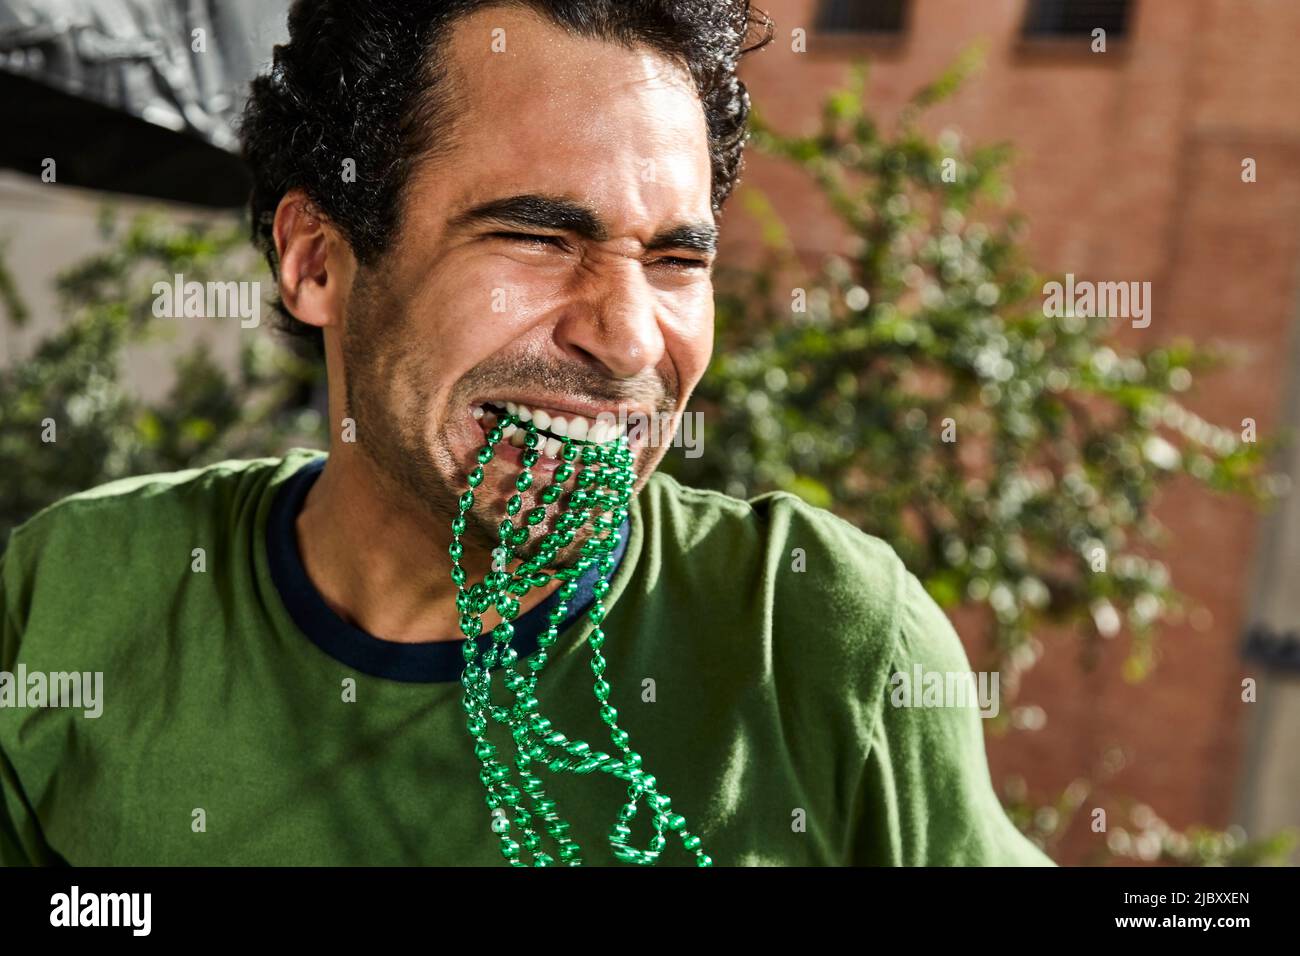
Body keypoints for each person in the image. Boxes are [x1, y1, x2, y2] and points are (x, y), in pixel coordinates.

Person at [0, 0, 1052, 866]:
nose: (629, 334)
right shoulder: (76, 599)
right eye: (538, 236)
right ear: (316, 258)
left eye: (678, 260)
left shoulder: (813, 639)